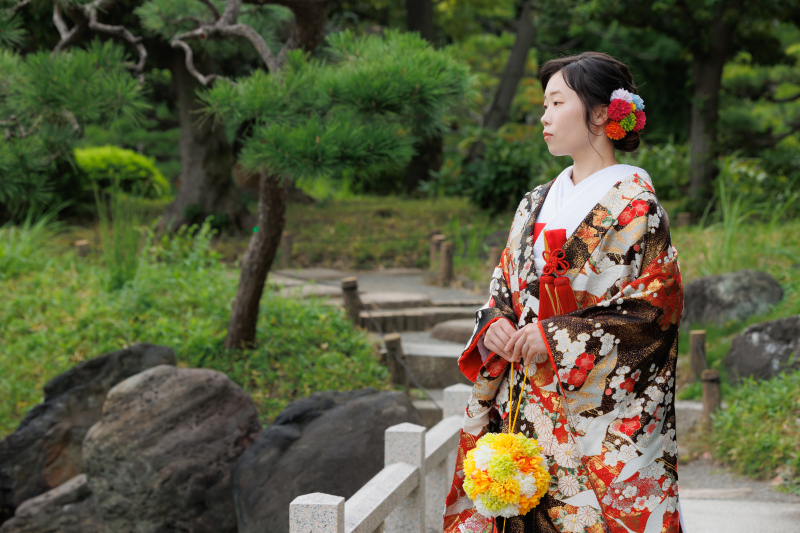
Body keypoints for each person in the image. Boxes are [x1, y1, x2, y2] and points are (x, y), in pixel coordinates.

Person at [443, 51, 685, 533]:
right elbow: (504, 286)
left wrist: (556, 338)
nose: (544, 117)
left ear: (600, 114)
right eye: (544, 104)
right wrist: (495, 324)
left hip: (598, 419)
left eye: (556, 103)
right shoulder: (534, 201)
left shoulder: (636, 205)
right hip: (524, 405)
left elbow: (654, 311)